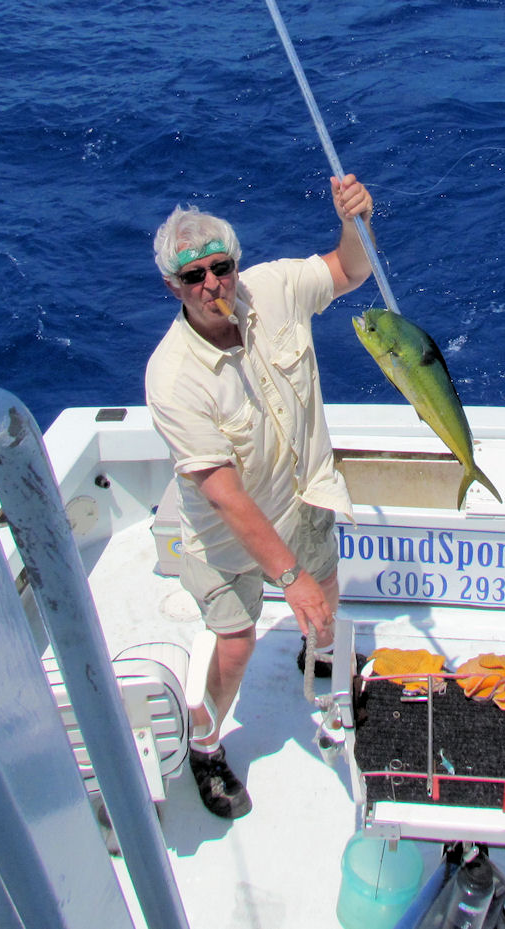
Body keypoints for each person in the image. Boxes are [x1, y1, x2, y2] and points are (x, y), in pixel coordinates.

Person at [146, 174, 374, 818]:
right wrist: (288, 577)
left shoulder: (270, 288)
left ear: (236, 264)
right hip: (226, 539)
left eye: (221, 267)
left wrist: (354, 220)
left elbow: (350, 271)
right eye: (195, 277)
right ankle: (205, 742)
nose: (212, 284)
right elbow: (225, 498)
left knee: (324, 599)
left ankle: (322, 658)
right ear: (174, 286)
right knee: (239, 643)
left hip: (301, 498)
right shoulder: (171, 378)